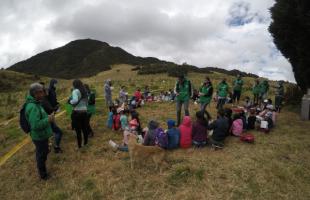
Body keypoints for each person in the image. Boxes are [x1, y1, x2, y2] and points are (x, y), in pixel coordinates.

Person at [25, 83, 54, 180]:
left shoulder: (36, 103)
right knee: (41, 155)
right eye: (41, 92)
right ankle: (43, 175)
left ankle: (42, 171)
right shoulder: (33, 107)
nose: (44, 94)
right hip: (39, 136)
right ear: (35, 93)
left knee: (42, 152)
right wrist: (48, 120)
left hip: (41, 136)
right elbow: (35, 125)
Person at [40, 82, 63, 153]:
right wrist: (56, 108)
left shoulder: (43, 99)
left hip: (47, 119)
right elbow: (50, 109)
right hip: (48, 119)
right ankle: (56, 147)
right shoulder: (44, 101)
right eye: (47, 91)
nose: (48, 92)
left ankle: (48, 146)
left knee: (49, 133)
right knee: (58, 132)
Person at [70, 80, 89, 149]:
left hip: (77, 113)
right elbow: (87, 102)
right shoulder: (84, 91)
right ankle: (86, 143)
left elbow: (74, 100)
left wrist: (70, 102)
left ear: (74, 85)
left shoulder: (75, 91)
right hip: (84, 112)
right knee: (85, 128)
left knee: (78, 130)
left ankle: (79, 146)